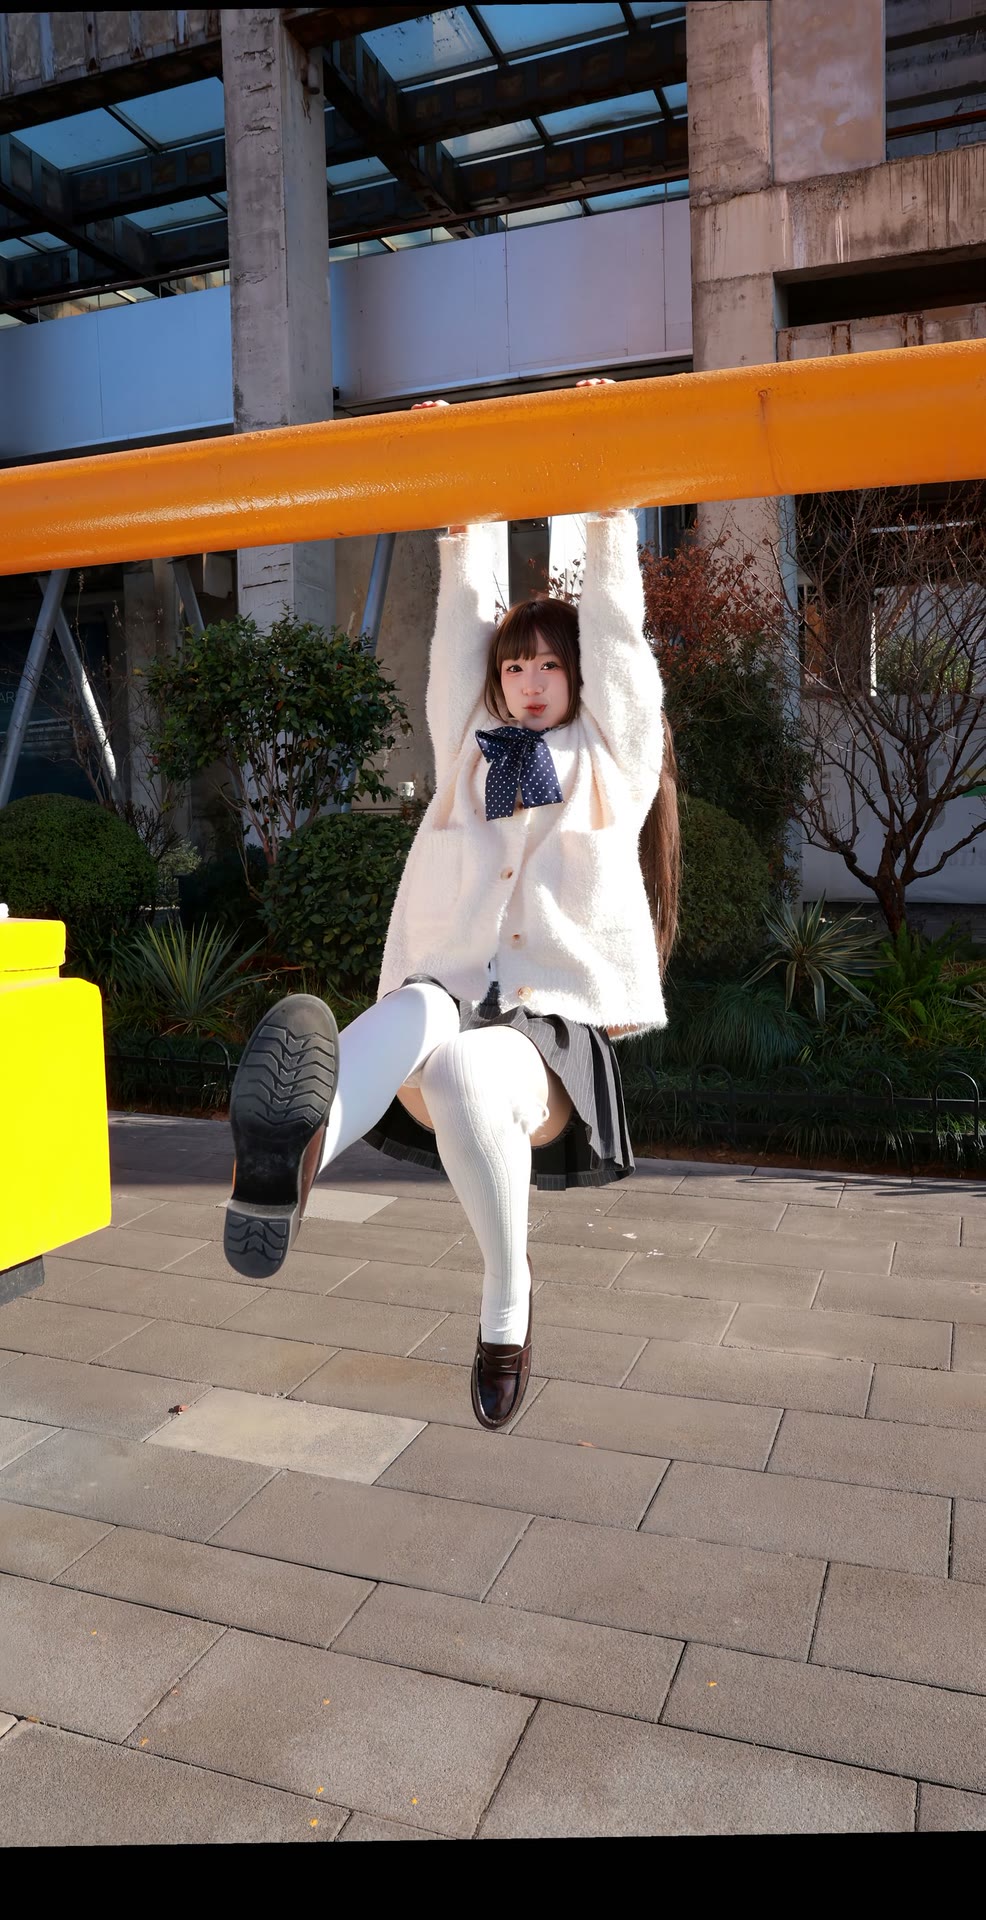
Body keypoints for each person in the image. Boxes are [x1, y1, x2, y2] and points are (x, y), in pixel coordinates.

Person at [223, 385, 680, 1430]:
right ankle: (293, 1157)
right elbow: (457, 632)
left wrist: (604, 494)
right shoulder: (470, 753)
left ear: (577, 677)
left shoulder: (609, 759)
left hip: (544, 1038)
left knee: (470, 1061)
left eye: (549, 664)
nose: (529, 680)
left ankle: (506, 1304)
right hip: (445, 1001)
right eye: (515, 665)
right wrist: (461, 499)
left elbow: (617, 633)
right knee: (419, 1011)